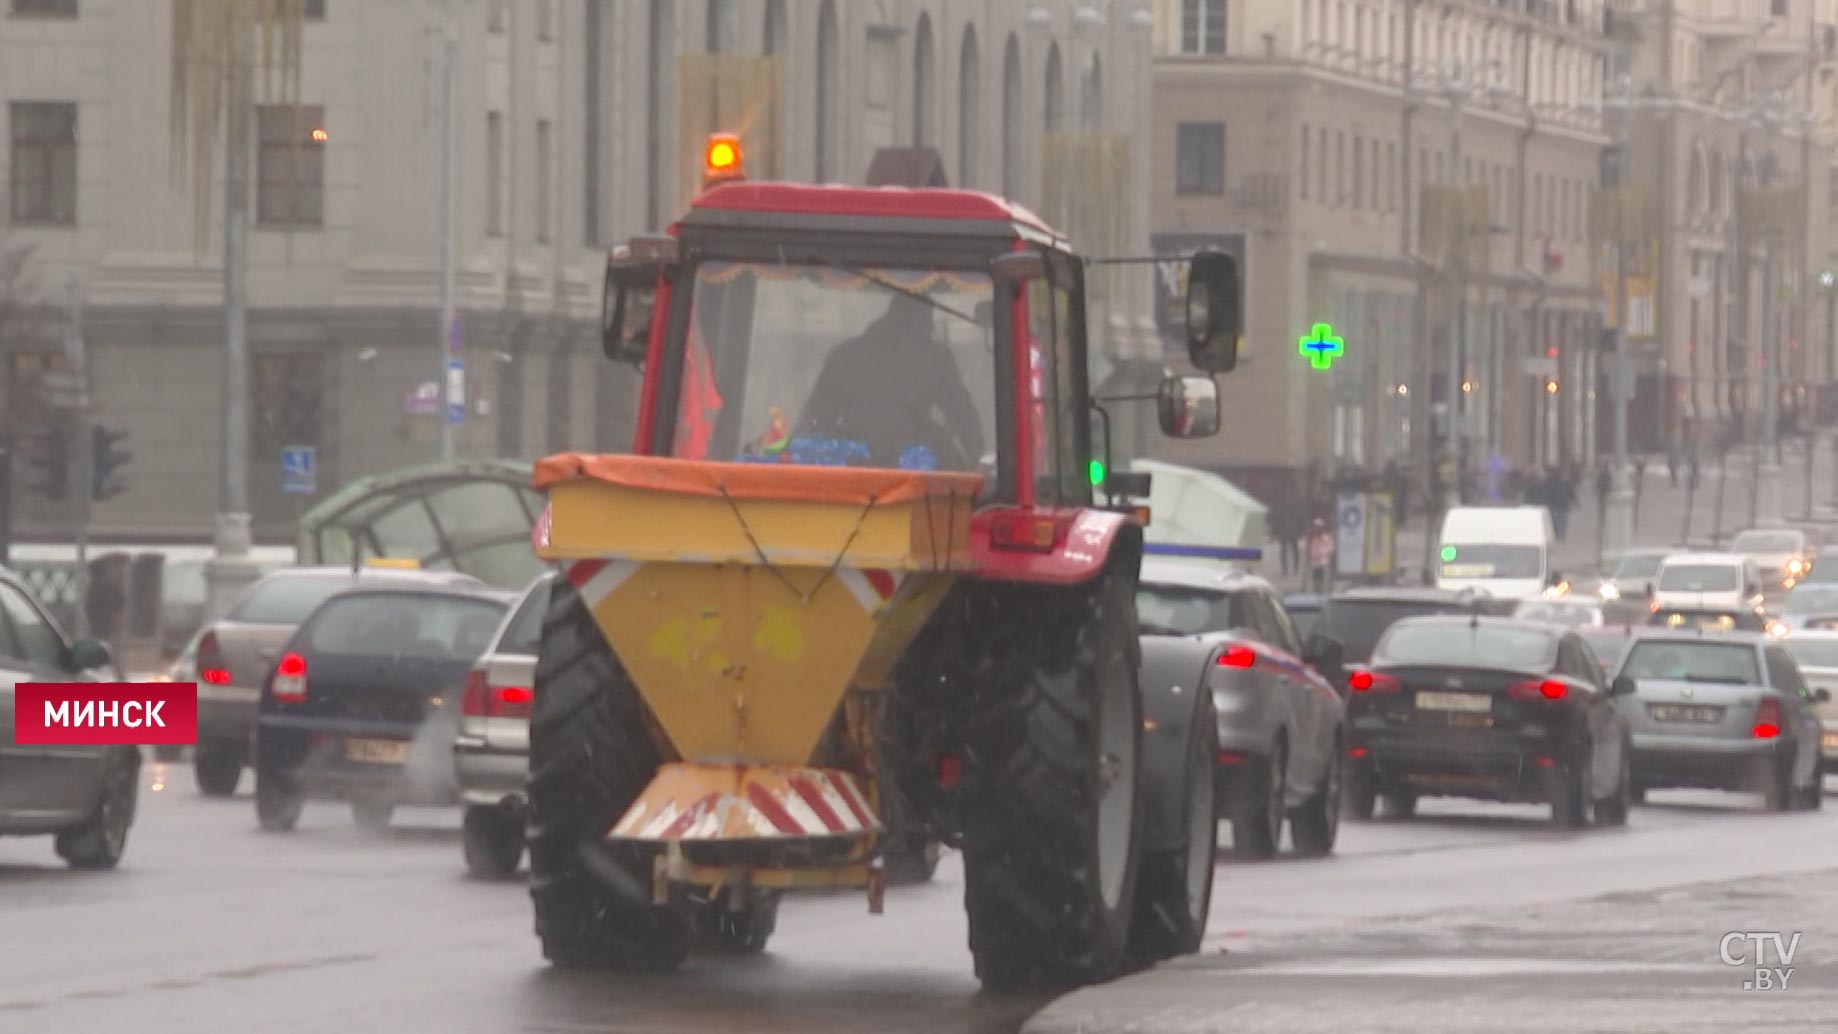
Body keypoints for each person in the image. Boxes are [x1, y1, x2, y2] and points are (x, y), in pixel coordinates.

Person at [797, 293, 987, 470]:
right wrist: (974, 458)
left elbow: (815, 419)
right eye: (927, 323)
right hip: (914, 473)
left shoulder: (844, 355)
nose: (932, 329)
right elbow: (963, 417)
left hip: (852, 474)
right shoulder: (933, 358)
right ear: (913, 324)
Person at [1306, 518, 1335, 594]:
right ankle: (1316, 592)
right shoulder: (1312, 538)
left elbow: (1331, 548)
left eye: (1318, 527)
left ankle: (1323, 592)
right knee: (1315, 580)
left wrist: (1321, 553)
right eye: (1315, 527)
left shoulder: (1327, 537)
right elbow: (1310, 549)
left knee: (1323, 580)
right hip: (1314, 563)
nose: (1317, 529)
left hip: (1323, 563)